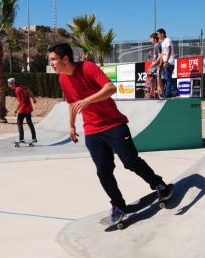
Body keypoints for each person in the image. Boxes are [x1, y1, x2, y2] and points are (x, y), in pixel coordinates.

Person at [48, 43, 173, 224]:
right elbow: (71, 103)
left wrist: (87, 100)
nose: (51, 63)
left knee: (130, 161)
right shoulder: (62, 79)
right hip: (92, 130)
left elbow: (110, 88)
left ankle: (159, 185)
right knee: (103, 171)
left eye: (53, 59)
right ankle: (118, 205)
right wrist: (72, 126)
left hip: (114, 125)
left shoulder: (88, 67)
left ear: (65, 59)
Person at [7, 77, 37, 144]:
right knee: (29, 123)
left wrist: (16, 110)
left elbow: (20, 102)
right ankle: (34, 138)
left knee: (19, 123)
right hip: (28, 107)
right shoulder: (22, 87)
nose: (8, 85)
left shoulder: (17, 90)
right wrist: (33, 98)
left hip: (23, 108)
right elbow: (29, 90)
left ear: (12, 84)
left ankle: (21, 139)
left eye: (9, 84)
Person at [157, 28, 178, 98]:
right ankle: (174, 91)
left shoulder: (167, 40)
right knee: (168, 78)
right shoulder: (163, 42)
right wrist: (161, 63)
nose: (158, 36)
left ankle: (168, 93)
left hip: (169, 62)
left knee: (168, 78)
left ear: (162, 34)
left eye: (158, 34)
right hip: (166, 62)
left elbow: (169, 51)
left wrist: (166, 62)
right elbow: (163, 53)